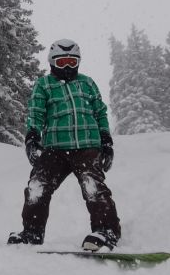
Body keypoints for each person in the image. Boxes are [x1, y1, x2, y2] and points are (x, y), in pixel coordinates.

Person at [8, 39, 120, 251]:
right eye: (62, 63)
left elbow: (100, 112)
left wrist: (106, 141)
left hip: (87, 146)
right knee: (37, 187)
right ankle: (32, 233)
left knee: (93, 186)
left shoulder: (87, 83)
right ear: (52, 63)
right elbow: (36, 113)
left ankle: (106, 231)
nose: (67, 67)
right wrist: (32, 137)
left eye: (71, 62)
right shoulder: (45, 84)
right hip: (55, 149)